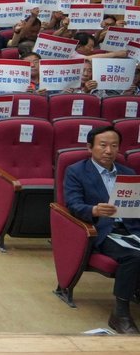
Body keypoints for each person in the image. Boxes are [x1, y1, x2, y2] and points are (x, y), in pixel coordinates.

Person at [63, 126, 140, 333]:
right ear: (90, 147)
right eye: (103, 145)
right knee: (134, 256)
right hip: (103, 231)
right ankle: (120, 314)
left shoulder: (128, 173)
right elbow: (73, 205)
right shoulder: (76, 171)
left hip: (132, 228)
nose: (109, 151)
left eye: (114, 146)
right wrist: (94, 210)